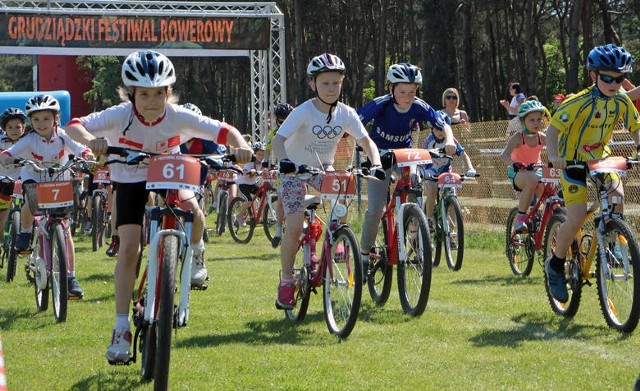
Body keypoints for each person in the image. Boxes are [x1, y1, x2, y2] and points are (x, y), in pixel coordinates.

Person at [64, 49, 253, 364]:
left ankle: (195, 254)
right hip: (129, 176)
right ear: (131, 94)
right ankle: (121, 327)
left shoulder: (179, 116)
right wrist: (90, 140)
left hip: (169, 169)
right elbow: (74, 125)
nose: (151, 101)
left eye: (159, 94)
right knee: (128, 249)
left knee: (192, 210)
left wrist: (242, 145)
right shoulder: (119, 115)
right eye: (143, 94)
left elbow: (224, 130)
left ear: (169, 93)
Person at [271, 53, 385, 310]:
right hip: (293, 170)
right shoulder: (303, 111)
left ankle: (337, 241)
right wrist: (285, 161)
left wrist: (375, 164)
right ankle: (287, 282)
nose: (331, 88)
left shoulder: (346, 113)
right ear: (313, 85)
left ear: (342, 83)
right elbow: (278, 141)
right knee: (294, 224)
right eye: (325, 83)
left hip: (322, 169)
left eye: (336, 83)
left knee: (342, 189)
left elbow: (366, 142)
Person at [546, 44, 640, 303]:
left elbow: (635, 127)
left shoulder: (622, 99)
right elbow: (553, 131)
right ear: (593, 75)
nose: (613, 83)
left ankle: (610, 243)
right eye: (607, 78)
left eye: (619, 79)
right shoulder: (577, 102)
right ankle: (555, 265)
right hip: (572, 161)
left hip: (601, 159)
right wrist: (554, 157)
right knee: (575, 217)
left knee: (617, 195)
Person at [356, 62, 456, 278]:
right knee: (375, 208)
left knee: (415, 186)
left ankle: (415, 231)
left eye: (412, 91)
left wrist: (448, 139)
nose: (408, 96)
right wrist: (359, 141)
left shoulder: (419, 105)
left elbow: (443, 123)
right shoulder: (380, 104)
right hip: (379, 156)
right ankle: (364, 254)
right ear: (391, 89)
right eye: (402, 91)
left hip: (405, 156)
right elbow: (355, 121)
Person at [0, 95, 93, 298]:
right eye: (36, 120)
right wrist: (7, 157)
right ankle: (25, 232)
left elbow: (79, 147)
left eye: (46, 119)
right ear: (30, 122)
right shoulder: (29, 139)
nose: (41, 124)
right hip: (33, 178)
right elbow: (11, 151)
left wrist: (86, 153)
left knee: (65, 229)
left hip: (59, 181)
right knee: (30, 202)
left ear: (55, 119)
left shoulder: (62, 136)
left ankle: (70, 277)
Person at [499, 100, 549, 232]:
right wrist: (514, 164)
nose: (536, 123)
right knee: (532, 179)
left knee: (549, 190)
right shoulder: (518, 137)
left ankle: (550, 219)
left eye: (539, 119)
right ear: (523, 122)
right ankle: (520, 218)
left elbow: (557, 151)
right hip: (518, 173)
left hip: (536, 172)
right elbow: (503, 155)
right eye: (532, 120)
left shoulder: (542, 137)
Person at [422, 112, 476, 225]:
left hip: (446, 172)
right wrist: (422, 171)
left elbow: (464, 155)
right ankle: (429, 218)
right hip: (430, 171)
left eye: (442, 129)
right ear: (431, 129)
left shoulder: (452, 140)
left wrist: (470, 168)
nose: (440, 132)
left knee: (452, 196)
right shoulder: (429, 141)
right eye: (436, 129)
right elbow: (421, 157)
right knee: (432, 190)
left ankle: (452, 232)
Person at [263, 102, 293, 247]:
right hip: (282, 168)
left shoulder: (296, 129)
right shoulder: (274, 133)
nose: (283, 123)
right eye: (281, 120)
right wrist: (265, 161)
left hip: (298, 166)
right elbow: (268, 149)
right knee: (281, 201)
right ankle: (278, 231)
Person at [0, 108, 27, 253]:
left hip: (23, 180)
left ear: (24, 127)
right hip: (3, 180)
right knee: (2, 214)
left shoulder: (29, 140)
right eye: (10, 127)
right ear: (4, 128)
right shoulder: (1, 140)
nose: (14, 130)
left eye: (18, 127)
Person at [235, 142, 266, 227]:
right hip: (243, 184)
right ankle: (239, 216)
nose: (261, 157)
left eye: (263, 155)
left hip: (252, 184)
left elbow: (267, 168)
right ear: (254, 154)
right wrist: (249, 172)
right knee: (248, 200)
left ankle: (264, 216)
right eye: (259, 154)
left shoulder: (262, 162)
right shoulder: (249, 162)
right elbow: (244, 172)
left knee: (264, 196)